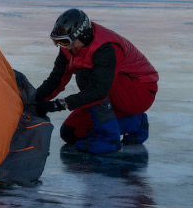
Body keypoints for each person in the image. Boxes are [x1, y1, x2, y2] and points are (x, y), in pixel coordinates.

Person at [34, 9, 158, 154]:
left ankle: (109, 139)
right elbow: (56, 79)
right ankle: (136, 123)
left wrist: (58, 105)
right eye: (58, 42)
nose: (64, 46)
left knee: (86, 75)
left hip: (139, 92)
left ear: (82, 35)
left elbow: (99, 91)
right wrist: (33, 100)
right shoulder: (69, 48)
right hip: (112, 91)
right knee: (70, 133)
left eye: (65, 41)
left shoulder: (106, 47)